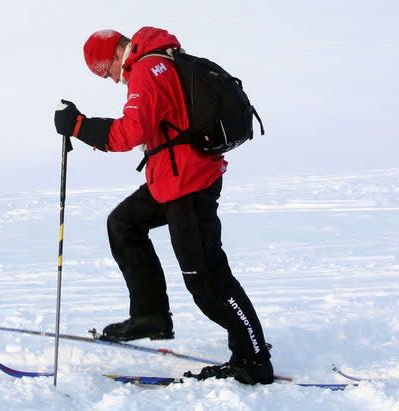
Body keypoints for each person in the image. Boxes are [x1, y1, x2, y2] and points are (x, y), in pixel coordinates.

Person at [53, 27, 273, 385]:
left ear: (111, 58)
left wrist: (79, 126)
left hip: (188, 184)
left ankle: (254, 359)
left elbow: (130, 133)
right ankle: (150, 316)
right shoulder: (160, 61)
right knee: (124, 224)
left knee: (206, 280)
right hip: (171, 179)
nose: (110, 80)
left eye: (104, 72)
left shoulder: (145, 69)